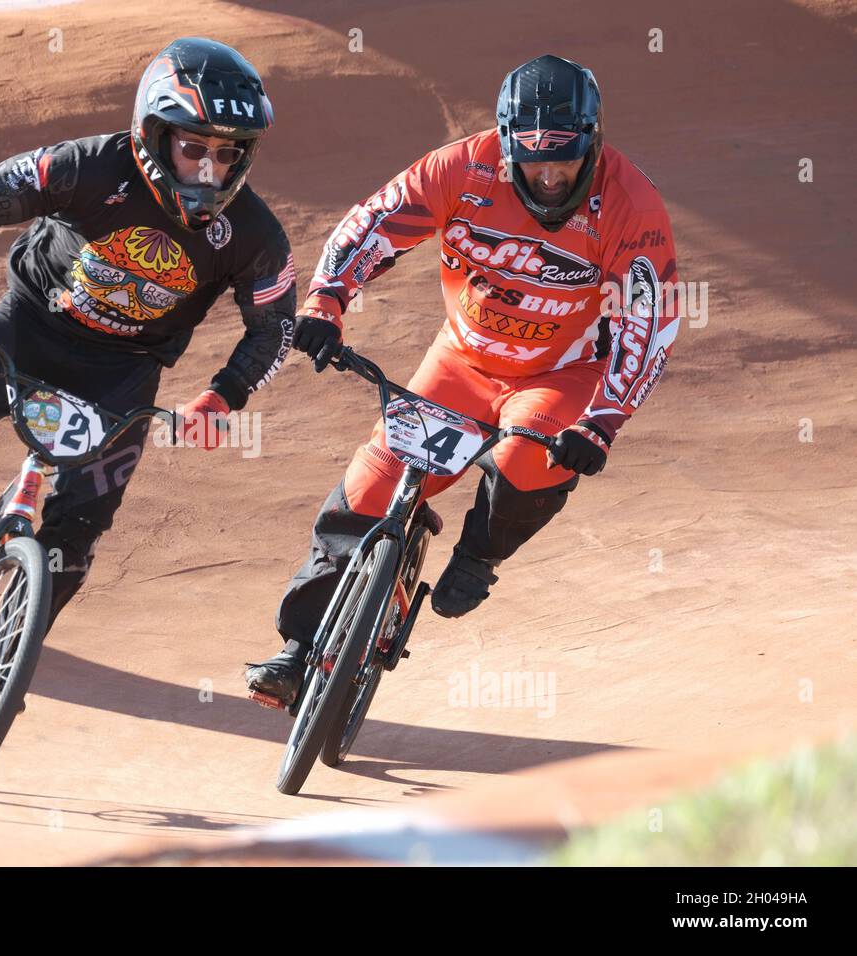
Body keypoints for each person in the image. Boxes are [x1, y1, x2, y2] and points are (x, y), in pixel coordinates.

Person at [246, 54, 681, 705]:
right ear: (507, 147)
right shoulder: (461, 168)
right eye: (536, 162)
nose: (553, 175)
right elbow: (374, 223)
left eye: (567, 158)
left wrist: (603, 420)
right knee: (368, 489)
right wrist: (327, 301)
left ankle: (480, 554)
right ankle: (300, 647)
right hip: (460, 363)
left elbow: (648, 322)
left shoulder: (630, 205)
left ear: (594, 143)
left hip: (558, 377)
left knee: (527, 461)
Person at [0, 37, 295, 627]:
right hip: (26, 327)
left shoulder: (255, 236)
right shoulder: (87, 167)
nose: (211, 172)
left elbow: (275, 328)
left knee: (79, 529)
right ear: (155, 133)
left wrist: (224, 395)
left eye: (230, 154)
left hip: (124, 372)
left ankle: (6, 649)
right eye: (194, 149)